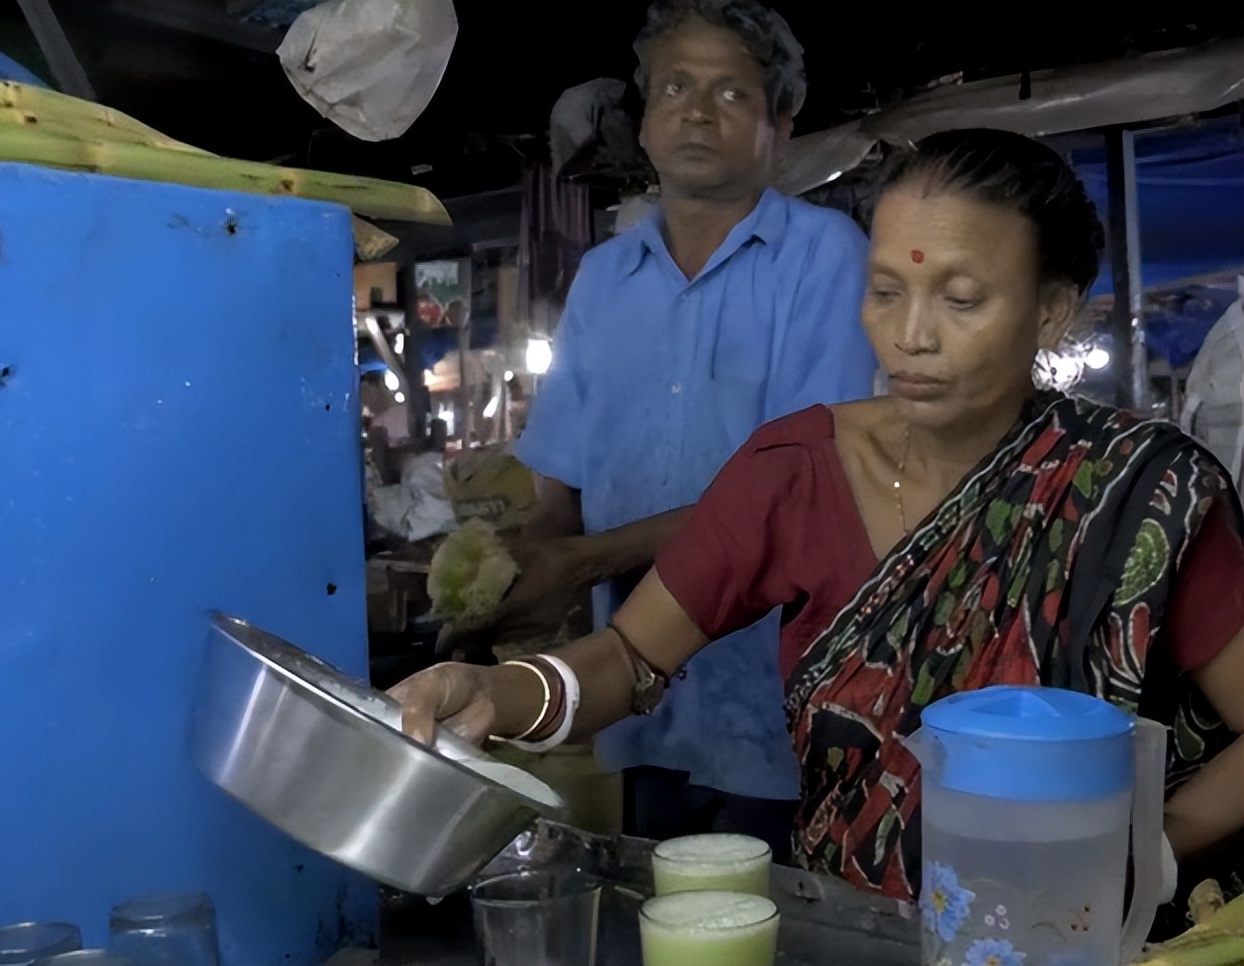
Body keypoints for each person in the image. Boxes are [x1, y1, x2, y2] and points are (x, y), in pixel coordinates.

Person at [392, 129, 1244, 921]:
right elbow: (628, 658)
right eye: (885, 292)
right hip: (849, 930)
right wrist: (498, 695)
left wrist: (1146, 857)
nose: (910, 336)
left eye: (961, 298)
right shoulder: (795, 469)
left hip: (1068, 936)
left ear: (1052, 310)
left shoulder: (1140, 496)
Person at [439, 0, 878, 859]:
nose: (697, 109)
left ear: (779, 126)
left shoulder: (826, 255)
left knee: (772, 923)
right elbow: (560, 483)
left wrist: (579, 562)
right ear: (643, 122)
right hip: (634, 698)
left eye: (732, 93)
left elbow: (798, 488)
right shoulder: (603, 279)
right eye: (675, 86)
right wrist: (509, 586)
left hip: (779, 697)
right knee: (663, 915)